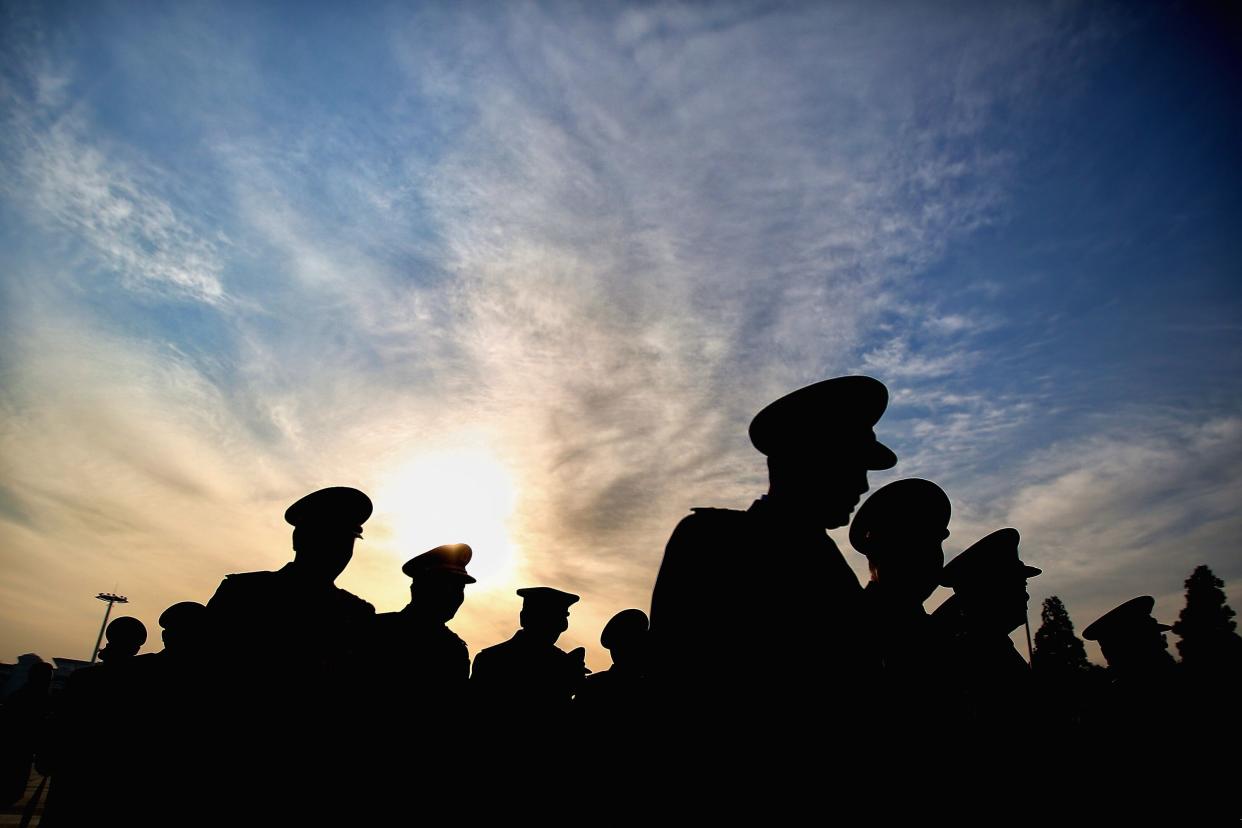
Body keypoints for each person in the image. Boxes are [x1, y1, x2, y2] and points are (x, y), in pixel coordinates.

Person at [649, 375, 897, 734]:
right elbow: (676, 686)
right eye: (850, 465)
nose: (862, 485)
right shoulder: (712, 543)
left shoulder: (829, 565)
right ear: (809, 460)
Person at [471, 587, 587, 713]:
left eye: (560, 619)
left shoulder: (490, 659)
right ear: (524, 618)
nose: (560, 626)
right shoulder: (491, 661)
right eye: (550, 619)